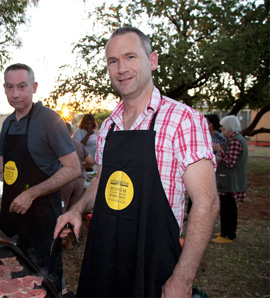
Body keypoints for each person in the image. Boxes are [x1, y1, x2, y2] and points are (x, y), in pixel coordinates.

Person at [54, 27, 219, 297]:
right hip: (105, 258)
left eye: (130, 57)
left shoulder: (183, 120)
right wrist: (77, 208)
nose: (121, 68)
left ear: (152, 61)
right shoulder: (108, 126)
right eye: (113, 61)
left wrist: (182, 279)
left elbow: (207, 203)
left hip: (156, 264)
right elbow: (101, 182)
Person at [0, 63, 81, 292]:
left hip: (42, 216)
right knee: (12, 274)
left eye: (22, 87)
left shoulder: (50, 121)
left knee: (45, 279)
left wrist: (31, 193)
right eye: (10, 87)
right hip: (12, 213)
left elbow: (73, 168)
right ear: (4, 88)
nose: (15, 94)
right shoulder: (8, 122)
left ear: (33, 87)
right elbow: (0, 162)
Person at [211, 115, 248, 244]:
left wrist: (219, 150)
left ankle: (228, 235)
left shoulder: (235, 142)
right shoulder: (233, 139)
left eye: (223, 127)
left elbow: (230, 162)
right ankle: (225, 232)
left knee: (229, 208)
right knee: (226, 207)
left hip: (230, 182)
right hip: (228, 181)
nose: (222, 130)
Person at [61, 122, 94, 249]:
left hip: (65, 181)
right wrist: (80, 166)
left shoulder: (58, 144)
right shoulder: (79, 145)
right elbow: (91, 161)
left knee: (62, 210)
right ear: (71, 133)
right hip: (79, 180)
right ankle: (70, 242)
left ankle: (58, 240)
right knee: (74, 210)